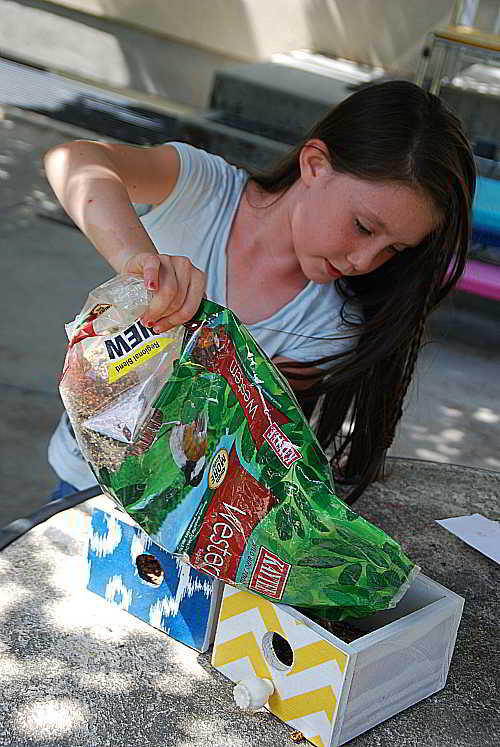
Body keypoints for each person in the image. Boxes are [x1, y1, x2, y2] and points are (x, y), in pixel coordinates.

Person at [43, 80, 476, 505]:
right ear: (314, 164)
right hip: (80, 481)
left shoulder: (328, 325)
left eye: (394, 249)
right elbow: (72, 159)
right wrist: (138, 260)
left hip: (172, 513)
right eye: (363, 227)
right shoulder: (201, 188)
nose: (364, 260)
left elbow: (226, 450)